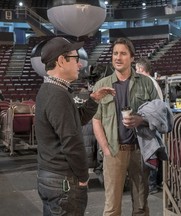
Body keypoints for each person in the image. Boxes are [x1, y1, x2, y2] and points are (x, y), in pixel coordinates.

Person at [35, 37, 115, 216]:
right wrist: (83, 177)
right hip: (62, 181)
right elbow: (72, 141)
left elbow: (75, 120)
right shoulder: (58, 95)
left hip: (49, 177)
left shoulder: (49, 90)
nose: (79, 65)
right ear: (61, 61)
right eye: (76, 59)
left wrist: (93, 100)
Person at [92, 37, 160, 216]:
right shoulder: (102, 85)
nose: (118, 57)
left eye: (123, 53)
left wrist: (141, 120)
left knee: (141, 206)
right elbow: (96, 119)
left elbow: (159, 114)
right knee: (112, 207)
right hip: (114, 151)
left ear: (132, 58)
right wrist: (105, 148)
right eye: (115, 53)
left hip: (140, 150)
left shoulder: (146, 83)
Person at [136, 57, 163, 195]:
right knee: (156, 153)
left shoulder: (147, 82)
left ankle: (152, 185)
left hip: (151, 123)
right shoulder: (153, 81)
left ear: (141, 69)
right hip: (155, 122)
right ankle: (156, 183)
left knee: (151, 153)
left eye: (136, 69)